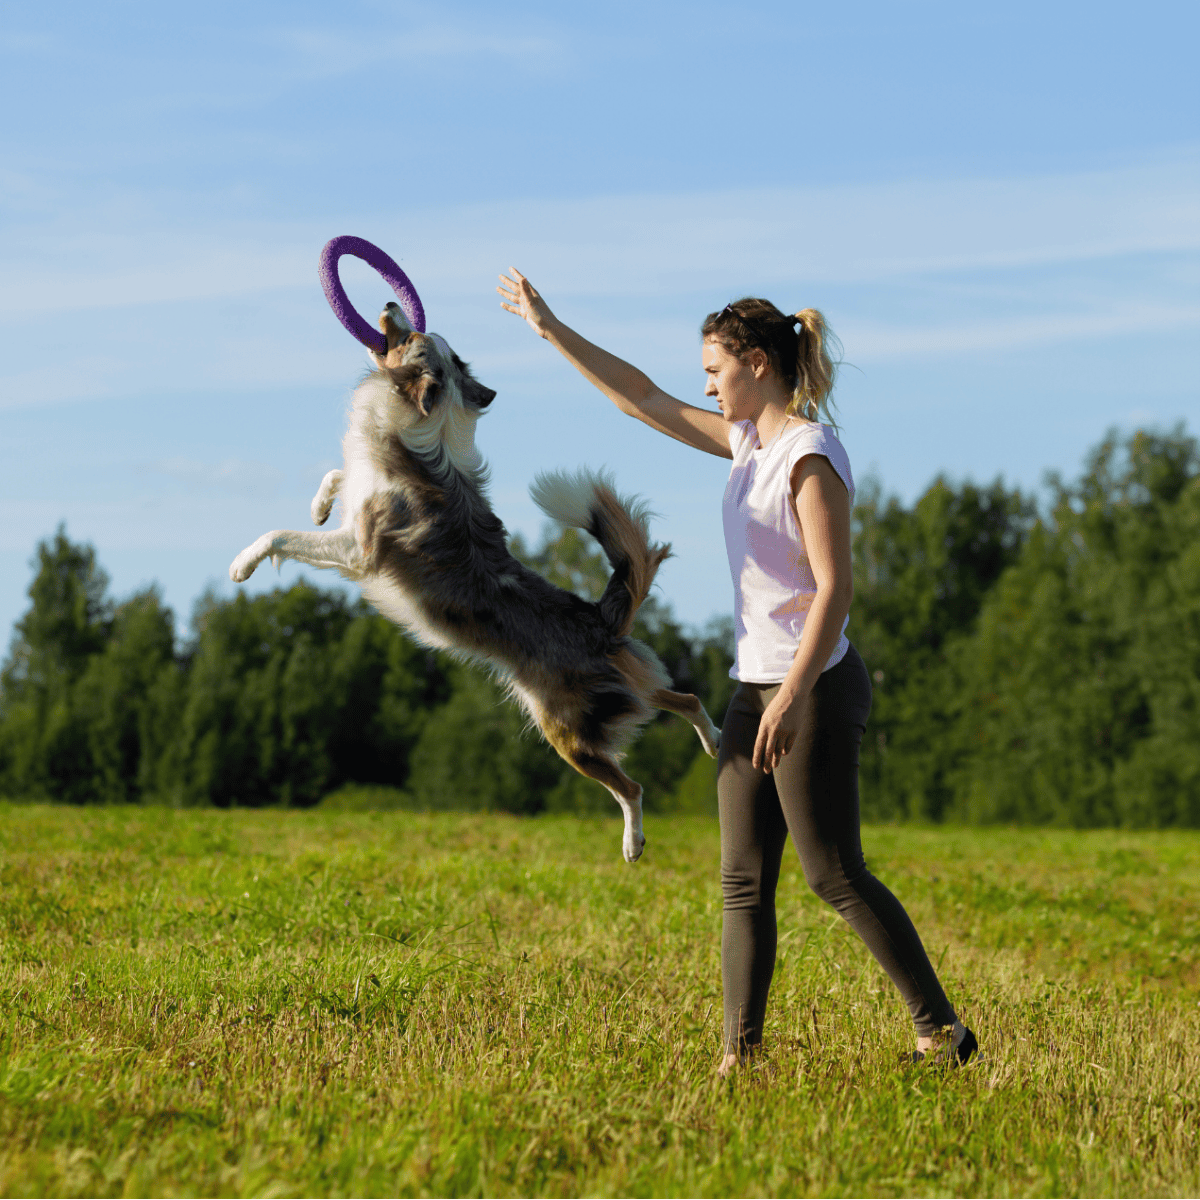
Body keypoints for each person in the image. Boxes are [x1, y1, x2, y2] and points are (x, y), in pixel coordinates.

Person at [497, 269, 977, 1072]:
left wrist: (791, 695)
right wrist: (551, 329)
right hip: (756, 685)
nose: (707, 386)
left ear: (757, 363)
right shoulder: (746, 441)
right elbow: (641, 398)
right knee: (742, 881)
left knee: (832, 872)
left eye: (716, 371)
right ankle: (739, 1058)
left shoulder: (809, 454)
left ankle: (943, 1031)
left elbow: (836, 588)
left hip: (813, 687)